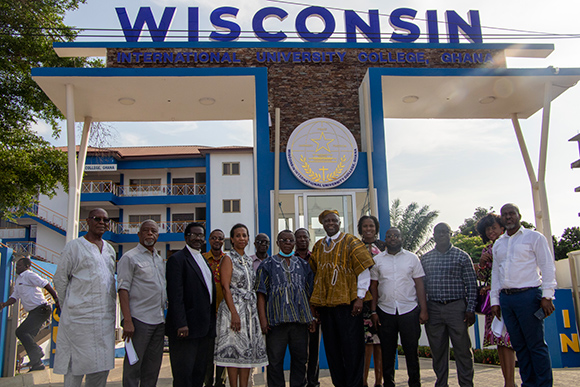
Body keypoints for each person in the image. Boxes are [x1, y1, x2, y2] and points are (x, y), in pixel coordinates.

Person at [490, 203, 557, 387]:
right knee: (519, 346)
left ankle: (543, 384)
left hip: (529, 297)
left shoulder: (534, 237)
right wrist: (494, 301)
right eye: (505, 215)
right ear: (502, 219)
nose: (509, 217)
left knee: (536, 345)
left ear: (519, 215)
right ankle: (528, 383)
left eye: (512, 213)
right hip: (507, 300)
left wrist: (547, 296)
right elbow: (496, 273)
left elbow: (547, 266)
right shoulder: (499, 243)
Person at [309, 210, 374, 387]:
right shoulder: (319, 245)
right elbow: (316, 274)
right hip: (327, 306)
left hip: (349, 305)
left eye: (334, 220)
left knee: (352, 348)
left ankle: (354, 384)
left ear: (339, 223)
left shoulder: (351, 242)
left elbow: (364, 271)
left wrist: (360, 298)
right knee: (332, 350)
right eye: (327, 221)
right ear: (322, 224)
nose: (331, 223)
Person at [53, 208, 117, 387]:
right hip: (79, 320)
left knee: (101, 368)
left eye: (106, 220)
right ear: (87, 221)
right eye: (97, 219)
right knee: (76, 368)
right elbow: (60, 279)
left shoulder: (110, 250)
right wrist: (70, 306)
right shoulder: (74, 246)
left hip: (104, 320)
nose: (102, 223)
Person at [370, 227, 428, 387]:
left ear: (401, 238)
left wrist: (423, 309)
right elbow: (373, 287)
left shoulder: (412, 258)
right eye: (389, 236)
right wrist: (374, 311)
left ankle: (415, 383)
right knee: (387, 353)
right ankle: (389, 383)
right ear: (385, 239)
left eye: (396, 235)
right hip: (385, 311)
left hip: (409, 311)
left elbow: (419, 285)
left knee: (411, 351)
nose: (392, 238)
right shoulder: (378, 260)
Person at [421, 222, 477, 387]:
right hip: (434, 308)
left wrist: (470, 309)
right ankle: (441, 383)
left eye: (445, 232)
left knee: (462, 350)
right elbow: (421, 286)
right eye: (438, 232)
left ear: (451, 234)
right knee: (438, 351)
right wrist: (423, 308)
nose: (442, 235)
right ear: (434, 236)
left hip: (456, 308)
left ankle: (466, 384)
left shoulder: (462, 256)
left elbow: (471, 284)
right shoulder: (426, 258)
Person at [256, 230, 314, 387]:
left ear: (294, 243)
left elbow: (310, 294)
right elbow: (261, 294)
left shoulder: (303, 265)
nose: (287, 243)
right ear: (277, 243)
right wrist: (263, 320)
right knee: (274, 361)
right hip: (276, 322)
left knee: (301, 359)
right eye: (284, 240)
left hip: (300, 321)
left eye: (290, 240)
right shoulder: (267, 264)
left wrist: (311, 317)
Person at [215, 224, 268, 387]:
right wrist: (234, 313)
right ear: (232, 239)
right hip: (234, 309)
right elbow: (225, 287)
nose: (241, 238)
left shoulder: (247, 260)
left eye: (244, 235)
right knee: (234, 353)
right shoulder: (227, 258)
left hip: (249, 311)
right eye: (237, 235)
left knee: (246, 354)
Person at [166, 222, 216, 387]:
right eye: (194, 235)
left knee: (198, 373)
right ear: (186, 237)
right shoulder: (177, 259)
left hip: (203, 329)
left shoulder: (203, 259)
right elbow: (175, 295)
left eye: (201, 235)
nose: (198, 238)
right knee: (183, 375)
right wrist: (181, 324)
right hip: (185, 329)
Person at [117, 220, 166, 387]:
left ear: (158, 236)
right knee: (133, 366)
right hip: (139, 321)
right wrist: (128, 320)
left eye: (153, 231)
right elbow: (123, 289)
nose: (149, 234)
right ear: (139, 234)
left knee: (152, 368)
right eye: (145, 230)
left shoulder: (159, 259)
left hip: (158, 321)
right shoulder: (129, 258)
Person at [475, 214, 516, 387]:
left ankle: (511, 381)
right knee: (500, 341)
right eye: (488, 229)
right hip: (494, 301)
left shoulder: (510, 244)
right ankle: (507, 380)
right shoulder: (486, 249)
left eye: (494, 227)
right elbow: (484, 276)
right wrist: (481, 265)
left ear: (501, 227)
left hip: (509, 296)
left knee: (509, 340)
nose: (491, 231)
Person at [0, 257, 59, 372]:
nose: (17, 268)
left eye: (20, 266)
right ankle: (37, 364)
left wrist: (56, 300)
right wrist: (4, 304)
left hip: (41, 310)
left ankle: (37, 353)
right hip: (34, 312)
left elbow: (46, 284)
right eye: (16, 266)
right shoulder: (18, 280)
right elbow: (14, 297)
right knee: (27, 337)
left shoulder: (29, 275)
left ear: (27, 266)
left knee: (20, 332)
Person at [357, 215, 386, 387]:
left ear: (376, 228)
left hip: (382, 299)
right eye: (365, 226)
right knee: (366, 342)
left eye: (372, 226)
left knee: (380, 342)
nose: (368, 229)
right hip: (362, 299)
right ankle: (363, 381)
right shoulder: (355, 246)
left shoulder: (384, 246)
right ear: (360, 229)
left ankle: (379, 382)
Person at [295, 228, 320, 387]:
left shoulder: (316, 259)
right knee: (300, 353)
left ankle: (314, 383)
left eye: (305, 237)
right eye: (299, 237)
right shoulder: (290, 259)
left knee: (314, 352)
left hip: (315, 311)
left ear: (309, 239)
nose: (303, 239)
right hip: (296, 313)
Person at [203, 229, 228, 387]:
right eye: (214, 238)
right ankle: (207, 382)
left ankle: (220, 382)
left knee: (222, 353)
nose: (217, 241)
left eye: (220, 238)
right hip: (207, 314)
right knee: (207, 353)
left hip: (225, 314)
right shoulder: (202, 259)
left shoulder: (228, 260)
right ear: (209, 240)